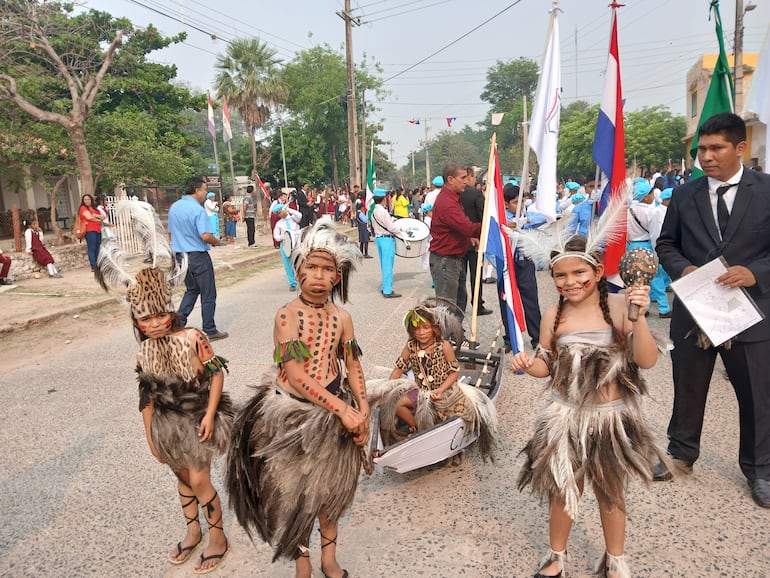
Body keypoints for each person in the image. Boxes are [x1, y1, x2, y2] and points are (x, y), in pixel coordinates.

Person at [512, 235, 672, 578]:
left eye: (578, 272)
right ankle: (556, 556)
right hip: (565, 417)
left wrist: (640, 317)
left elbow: (646, 361)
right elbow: (548, 367)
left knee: (611, 492)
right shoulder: (553, 315)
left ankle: (615, 560)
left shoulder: (619, 307)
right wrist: (528, 365)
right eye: (560, 275)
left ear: (598, 271)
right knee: (563, 490)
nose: (569, 281)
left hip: (611, 419)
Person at [94, 203, 233, 574]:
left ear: (169, 311)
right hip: (166, 426)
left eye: (158, 315)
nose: (153, 323)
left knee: (200, 478)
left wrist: (209, 413)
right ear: (136, 320)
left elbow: (217, 374)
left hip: (197, 418)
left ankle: (217, 536)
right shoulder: (143, 352)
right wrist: (150, 437)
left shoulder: (193, 337)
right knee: (181, 477)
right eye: (145, 318)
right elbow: (146, 397)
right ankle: (193, 531)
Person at [227, 221, 369, 578]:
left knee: (331, 491)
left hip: (335, 412)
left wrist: (363, 410)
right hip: (292, 416)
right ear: (298, 269)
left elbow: (352, 365)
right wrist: (344, 411)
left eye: (327, 269)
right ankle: (302, 562)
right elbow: (295, 374)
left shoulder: (342, 317)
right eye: (312, 267)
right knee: (299, 496)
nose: (319, 276)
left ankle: (329, 558)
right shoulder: (286, 315)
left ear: (337, 277)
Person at [655, 112, 770, 508]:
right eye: (701, 149)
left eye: (716, 148)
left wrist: (753, 273)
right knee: (688, 385)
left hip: (750, 314)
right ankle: (681, 453)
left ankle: (760, 470)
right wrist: (684, 269)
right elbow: (666, 244)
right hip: (695, 311)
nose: (706, 156)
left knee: (756, 394)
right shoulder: (686, 194)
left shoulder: (766, 190)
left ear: (740, 148)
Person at [369, 301, 496, 462]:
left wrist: (441, 390)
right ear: (411, 331)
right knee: (396, 403)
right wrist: (386, 388)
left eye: (426, 328)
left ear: (435, 328)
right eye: (417, 329)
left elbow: (454, 373)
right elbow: (398, 369)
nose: (421, 333)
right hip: (421, 392)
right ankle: (416, 428)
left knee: (447, 417)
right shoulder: (410, 346)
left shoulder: (444, 346)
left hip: (446, 392)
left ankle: (451, 446)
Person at [168, 176, 228, 341]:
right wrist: (217, 242)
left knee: (192, 289)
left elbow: (170, 234)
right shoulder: (198, 210)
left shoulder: (174, 207)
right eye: (204, 189)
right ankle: (209, 328)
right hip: (198, 256)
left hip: (181, 255)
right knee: (208, 292)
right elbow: (206, 235)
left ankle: (178, 322)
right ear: (197, 191)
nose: (205, 192)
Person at [429, 163, 482, 313]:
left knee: (459, 301)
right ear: (450, 179)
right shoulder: (447, 202)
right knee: (447, 307)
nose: (466, 181)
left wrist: (469, 238)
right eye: (463, 177)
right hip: (445, 260)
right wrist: (489, 226)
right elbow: (467, 227)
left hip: (454, 258)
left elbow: (458, 228)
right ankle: (447, 335)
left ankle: (455, 334)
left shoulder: (453, 198)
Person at [503, 183, 542, 351]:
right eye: (514, 203)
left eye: (522, 202)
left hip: (525, 263)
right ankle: (510, 338)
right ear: (505, 204)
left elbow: (545, 218)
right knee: (507, 302)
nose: (519, 206)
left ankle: (537, 337)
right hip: (507, 264)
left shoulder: (526, 215)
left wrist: (525, 220)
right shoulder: (501, 218)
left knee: (531, 300)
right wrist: (507, 224)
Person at [627, 178, 670, 317]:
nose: (653, 196)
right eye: (651, 194)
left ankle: (642, 307)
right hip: (647, 246)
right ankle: (664, 308)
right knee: (655, 277)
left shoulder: (628, 211)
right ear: (646, 197)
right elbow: (654, 234)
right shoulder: (650, 212)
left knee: (638, 279)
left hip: (632, 246)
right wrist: (658, 252)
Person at [459, 166, 491, 316]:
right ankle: (477, 304)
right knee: (475, 275)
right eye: (474, 177)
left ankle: (460, 305)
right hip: (475, 239)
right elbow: (483, 216)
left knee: (461, 276)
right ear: (469, 177)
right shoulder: (476, 194)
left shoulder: (456, 195)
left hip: (459, 240)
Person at [369, 188, 402, 298]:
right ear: (384, 199)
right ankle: (387, 290)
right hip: (387, 239)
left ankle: (385, 287)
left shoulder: (374, 211)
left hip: (379, 239)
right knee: (388, 265)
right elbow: (391, 227)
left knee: (384, 265)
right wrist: (400, 228)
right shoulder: (383, 211)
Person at [271, 203, 302, 291]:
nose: (281, 214)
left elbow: (299, 215)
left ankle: (302, 278)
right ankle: (292, 283)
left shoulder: (293, 219)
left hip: (296, 243)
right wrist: (283, 237)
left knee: (299, 261)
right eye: (279, 213)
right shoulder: (279, 224)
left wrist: (288, 210)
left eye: (282, 212)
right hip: (286, 244)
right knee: (288, 264)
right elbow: (276, 236)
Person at [79, 194, 104, 271]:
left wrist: (95, 215)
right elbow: (88, 217)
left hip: (98, 229)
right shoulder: (83, 208)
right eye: (85, 199)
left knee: (97, 248)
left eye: (88, 199)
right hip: (89, 230)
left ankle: (98, 264)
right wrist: (97, 218)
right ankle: (93, 266)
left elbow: (103, 216)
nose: (87, 201)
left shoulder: (94, 208)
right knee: (92, 248)